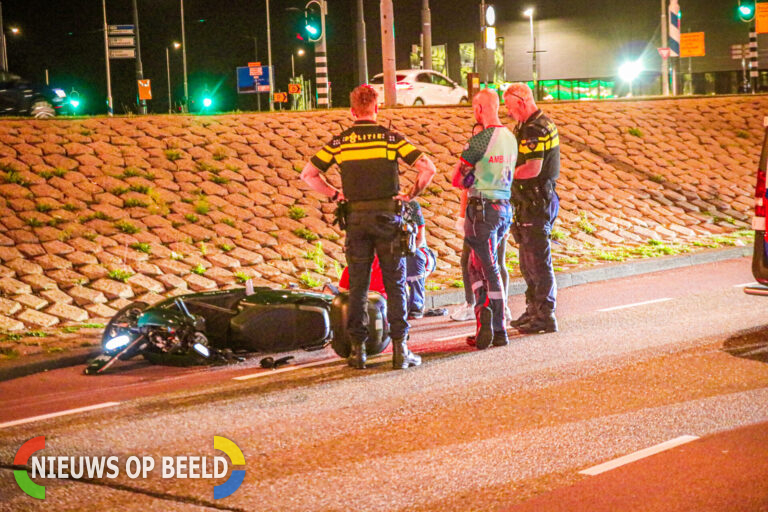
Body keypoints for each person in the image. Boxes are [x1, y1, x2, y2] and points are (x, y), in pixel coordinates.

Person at [301, 84, 437, 369]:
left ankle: (358, 351)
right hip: (388, 218)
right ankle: (401, 350)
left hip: (356, 220)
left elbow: (309, 174)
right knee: (395, 282)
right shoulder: (390, 139)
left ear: (352, 111)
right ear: (377, 108)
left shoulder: (340, 143)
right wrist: (411, 195)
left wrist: (336, 195)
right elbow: (427, 168)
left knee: (359, 286)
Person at [452, 89, 517, 349]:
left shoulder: (481, 139)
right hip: (503, 208)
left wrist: (470, 178)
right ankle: (486, 319)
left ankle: (495, 326)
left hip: (481, 210)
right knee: (477, 265)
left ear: (480, 109)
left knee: (485, 268)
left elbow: (457, 177)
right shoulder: (510, 137)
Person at [503, 83, 561, 334]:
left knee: (537, 260)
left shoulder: (534, 129)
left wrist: (503, 176)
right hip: (534, 200)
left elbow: (532, 169)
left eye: (510, 107)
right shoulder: (535, 124)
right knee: (528, 261)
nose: (509, 112)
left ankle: (545, 315)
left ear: (522, 101)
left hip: (536, 201)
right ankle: (534, 308)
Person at [404, 200, 437, 319]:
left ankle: (416, 304)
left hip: (416, 254)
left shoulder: (410, 205)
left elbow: (419, 239)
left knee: (414, 255)